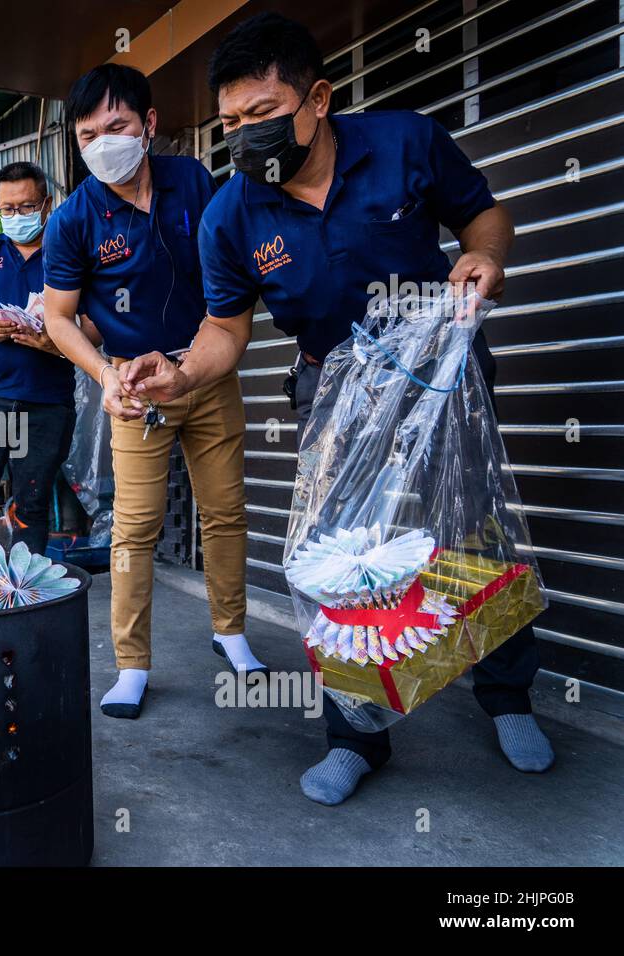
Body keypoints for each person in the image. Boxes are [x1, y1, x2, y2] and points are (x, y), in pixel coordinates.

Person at [122, 12, 553, 804]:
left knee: (474, 533)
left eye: (262, 115)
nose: (247, 137)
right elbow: (224, 330)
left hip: (438, 369)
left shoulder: (405, 144)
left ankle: (508, 697)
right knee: (340, 562)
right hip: (331, 389)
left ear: (317, 98)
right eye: (231, 124)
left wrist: (484, 256)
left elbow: (484, 215)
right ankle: (356, 733)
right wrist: (179, 374)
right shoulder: (231, 214)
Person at [42, 63, 265, 721]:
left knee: (224, 512)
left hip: (208, 373)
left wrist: (200, 358)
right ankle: (132, 667)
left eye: (116, 126)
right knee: (133, 529)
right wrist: (107, 375)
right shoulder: (74, 219)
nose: (102, 143)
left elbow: (230, 277)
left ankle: (231, 632)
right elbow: (58, 317)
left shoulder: (194, 180)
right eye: (88, 135)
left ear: (149, 126)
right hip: (135, 392)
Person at [0, 161, 91, 556]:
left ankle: (26, 599)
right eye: (7, 209)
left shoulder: (67, 254)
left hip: (47, 404)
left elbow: (93, 329)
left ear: (46, 205)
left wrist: (52, 341)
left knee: (32, 508)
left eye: (26, 208)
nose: (16, 216)